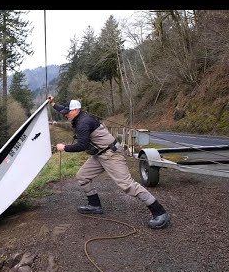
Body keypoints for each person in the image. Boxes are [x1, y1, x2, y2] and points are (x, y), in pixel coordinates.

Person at [47, 95, 171, 229]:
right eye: (66, 112)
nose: (66, 115)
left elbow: (82, 145)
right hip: (100, 155)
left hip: (112, 155)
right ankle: (94, 205)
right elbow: (62, 109)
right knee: (82, 176)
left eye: (68, 112)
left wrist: (64, 147)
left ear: (76, 110)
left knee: (127, 185)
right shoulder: (79, 116)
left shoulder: (83, 123)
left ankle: (160, 212)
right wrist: (53, 104)